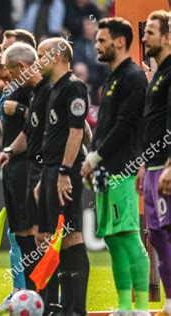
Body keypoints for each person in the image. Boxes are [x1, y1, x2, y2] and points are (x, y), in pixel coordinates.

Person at [81, 17, 151, 314]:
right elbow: (104, 125)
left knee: (129, 235)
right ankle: (124, 305)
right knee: (112, 237)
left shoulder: (133, 76)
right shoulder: (112, 77)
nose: (96, 45)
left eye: (101, 40)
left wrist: (96, 157)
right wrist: (92, 159)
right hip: (105, 171)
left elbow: (125, 124)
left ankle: (142, 307)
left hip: (123, 169)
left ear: (119, 42)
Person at [0, 42, 52, 312]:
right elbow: (29, 131)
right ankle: (32, 293)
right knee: (23, 233)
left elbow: (64, 126)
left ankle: (49, 297)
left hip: (40, 168)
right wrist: (8, 151)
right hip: (20, 164)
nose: (7, 82)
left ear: (22, 67)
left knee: (43, 236)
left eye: (9, 74)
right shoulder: (31, 91)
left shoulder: (47, 90)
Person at [36, 37, 89, 315]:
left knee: (71, 236)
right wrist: (44, 177)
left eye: (42, 55)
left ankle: (77, 309)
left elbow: (76, 131)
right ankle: (65, 306)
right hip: (50, 170)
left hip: (64, 170)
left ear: (56, 56)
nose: (38, 60)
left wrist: (65, 172)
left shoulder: (73, 86)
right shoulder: (53, 89)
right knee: (55, 238)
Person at [138, 10, 171, 316]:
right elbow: (152, 125)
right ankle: (169, 302)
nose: (144, 37)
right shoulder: (158, 73)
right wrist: (144, 163)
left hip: (166, 166)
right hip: (153, 165)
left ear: (167, 36)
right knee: (156, 234)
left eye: (150, 32)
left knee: (166, 231)